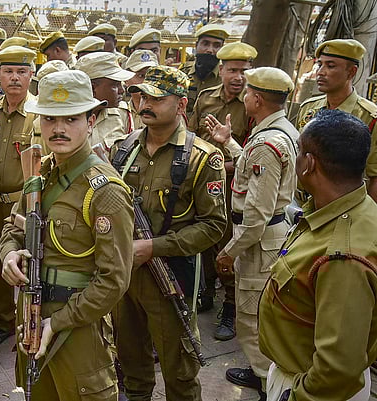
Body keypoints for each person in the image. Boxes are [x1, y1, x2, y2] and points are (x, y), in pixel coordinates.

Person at [0, 69, 134, 401]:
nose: (58, 129)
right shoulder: (40, 173)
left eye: (71, 119)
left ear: (91, 120)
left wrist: (58, 322)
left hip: (77, 326)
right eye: (50, 119)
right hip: (32, 314)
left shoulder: (104, 190)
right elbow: (11, 226)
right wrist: (9, 254)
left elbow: (114, 279)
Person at [112, 65, 227, 401]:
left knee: (179, 370)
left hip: (172, 276)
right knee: (130, 361)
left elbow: (214, 226)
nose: (145, 103)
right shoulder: (124, 148)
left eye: (156, 98)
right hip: (126, 276)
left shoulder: (202, 158)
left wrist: (155, 246)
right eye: (142, 95)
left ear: (180, 104)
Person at [258, 109, 377, 401]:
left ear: (309, 164)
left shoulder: (342, 256)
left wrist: (297, 396)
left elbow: (337, 370)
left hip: (311, 388)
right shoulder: (341, 211)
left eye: (299, 152)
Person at [208, 67, 299, 400]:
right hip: (269, 237)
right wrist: (228, 142)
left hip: (259, 242)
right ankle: (262, 373)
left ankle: (265, 384)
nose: (244, 97)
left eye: (247, 93)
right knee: (262, 314)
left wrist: (228, 251)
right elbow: (253, 172)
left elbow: (257, 214)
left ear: (257, 99)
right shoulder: (279, 129)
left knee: (252, 319)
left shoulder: (266, 142)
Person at [187, 41, 257, 340]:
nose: (237, 77)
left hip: (233, 186)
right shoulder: (205, 98)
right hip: (202, 183)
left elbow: (251, 154)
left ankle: (230, 305)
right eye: (232, 70)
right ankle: (206, 294)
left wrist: (221, 168)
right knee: (202, 239)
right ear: (222, 70)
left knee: (227, 243)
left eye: (243, 71)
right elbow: (191, 136)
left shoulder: (254, 103)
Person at [0, 46, 37, 348]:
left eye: (21, 72)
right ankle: (4, 321)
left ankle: (29, 323)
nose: (14, 78)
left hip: (25, 203)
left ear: (31, 75)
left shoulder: (39, 114)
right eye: (8, 72)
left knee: (29, 265)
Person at [296, 39, 377, 202]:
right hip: (302, 203)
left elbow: (374, 176)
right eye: (320, 65)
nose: (321, 72)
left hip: (344, 208)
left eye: (330, 66)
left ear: (351, 72)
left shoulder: (369, 117)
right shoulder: (308, 109)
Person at [75, 52, 135, 151]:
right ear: (93, 88)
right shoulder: (62, 119)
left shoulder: (121, 115)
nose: (122, 90)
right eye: (115, 85)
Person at [180, 24, 230, 114]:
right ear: (196, 45)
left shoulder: (226, 79)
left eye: (216, 45)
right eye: (205, 44)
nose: (210, 50)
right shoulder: (183, 73)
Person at [123, 50, 158, 129]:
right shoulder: (117, 113)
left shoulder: (166, 114)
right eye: (141, 76)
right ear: (126, 79)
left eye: (151, 76)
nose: (147, 82)